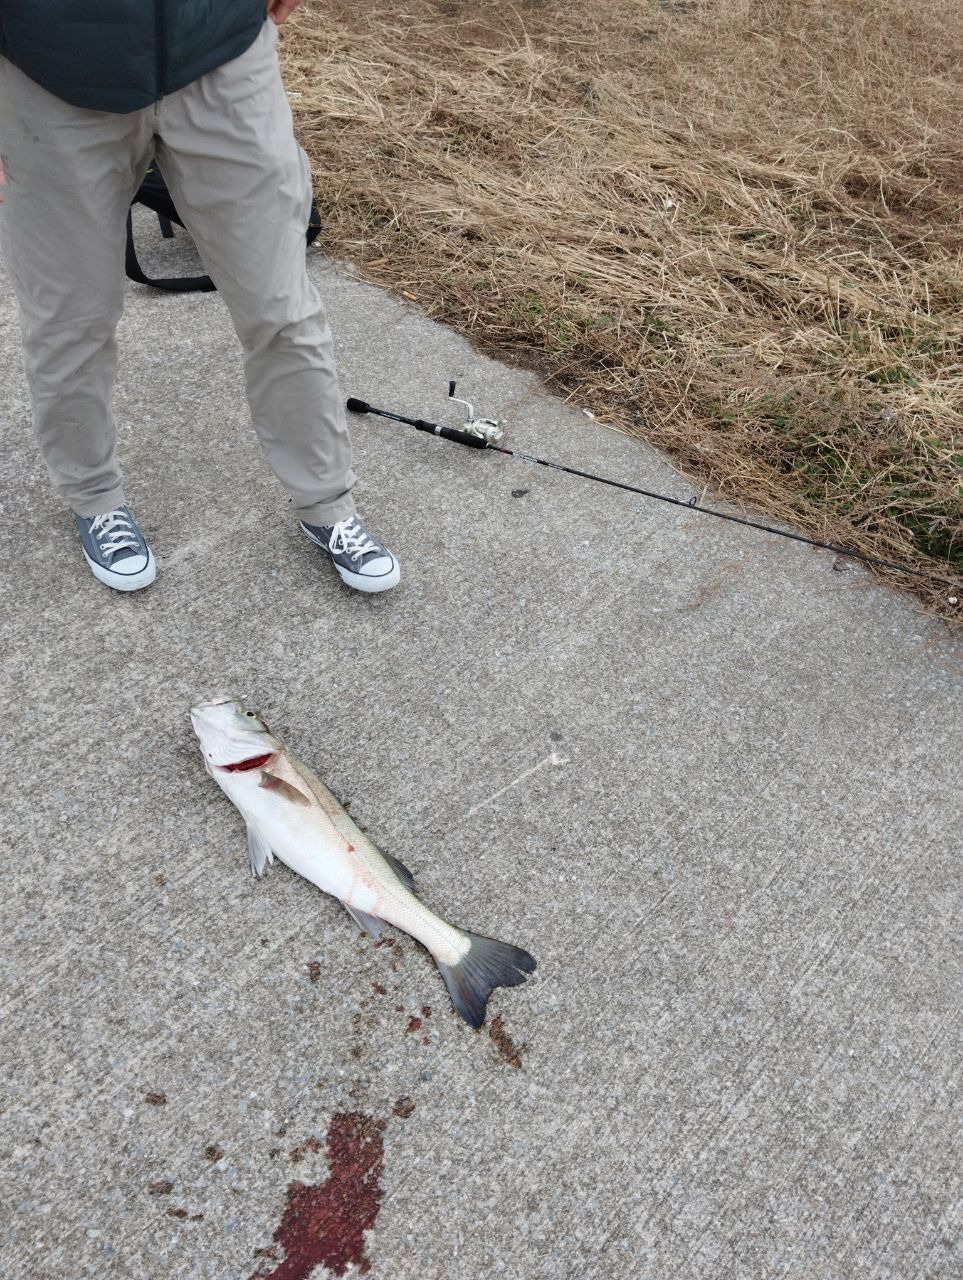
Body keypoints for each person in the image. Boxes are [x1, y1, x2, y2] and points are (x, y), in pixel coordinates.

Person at [0, 0, 399, 594]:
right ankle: (93, 498)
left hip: (220, 48)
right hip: (49, 74)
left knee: (281, 307)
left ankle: (327, 504)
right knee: (71, 317)